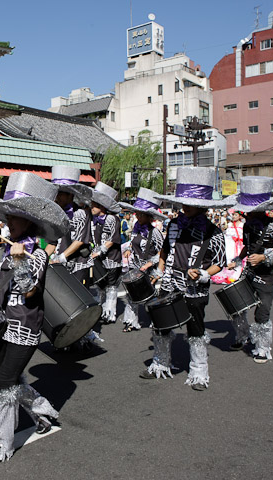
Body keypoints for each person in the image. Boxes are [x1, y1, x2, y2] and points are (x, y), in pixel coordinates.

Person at [0, 172, 69, 464]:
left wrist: (21, 260)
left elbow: (29, 292)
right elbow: (1, 290)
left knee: (5, 382)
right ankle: (42, 411)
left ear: (30, 222)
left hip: (24, 327)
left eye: (15, 218)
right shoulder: (7, 250)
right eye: (7, 217)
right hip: (2, 324)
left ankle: (2, 443)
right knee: (10, 380)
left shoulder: (37, 254)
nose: (8, 223)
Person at [141, 167, 231, 391]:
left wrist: (203, 273)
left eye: (191, 203)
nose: (185, 207)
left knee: (195, 329)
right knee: (161, 325)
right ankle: (161, 363)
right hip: (170, 283)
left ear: (203, 206)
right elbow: (164, 251)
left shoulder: (214, 231)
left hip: (195, 290)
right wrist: (160, 271)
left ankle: (199, 371)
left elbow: (220, 262)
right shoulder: (172, 225)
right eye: (183, 202)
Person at [226, 177, 273, 363]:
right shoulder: (247, 225)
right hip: (249, 272)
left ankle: (262, 348)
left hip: (266, 276)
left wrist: (263, 257)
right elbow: (247, 246)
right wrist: (238, 260)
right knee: (236, 306)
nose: (245, 214)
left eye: (249, 211)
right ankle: (242, 336)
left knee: (261, 313)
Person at [118, 188, 167, 332]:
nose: (138, 216)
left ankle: (158, 319)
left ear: (149, 216)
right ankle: (131, 322)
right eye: (137, 213)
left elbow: (162, 252)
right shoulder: (135, 229)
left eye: (141, 214)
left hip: (149, 268)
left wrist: (150, 264)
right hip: (135, 267)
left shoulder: (156, 232)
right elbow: (132, 244)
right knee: (131, 294)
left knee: (150, 295)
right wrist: (128, 250)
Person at [47, 165, 94, 286]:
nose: (57, 196)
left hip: (78, 264)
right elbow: (52, 243)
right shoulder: (55, 214)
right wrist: (42, 257)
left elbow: (80, 241)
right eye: (57, 192)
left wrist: (61, 257)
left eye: (61, 193)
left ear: (71, 195)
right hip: (60, 264)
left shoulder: (81, 214)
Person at [90, 182, 122, 324]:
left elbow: (113, 239)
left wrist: (100, 250)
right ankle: (101, 311)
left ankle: (110, 313)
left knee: (111, 287)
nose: (91, 207)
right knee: (100, 287)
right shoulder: (94, 221)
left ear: (102, 206)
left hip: (112, 260)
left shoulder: (112, 219)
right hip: (99, 260)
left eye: (94, 205)